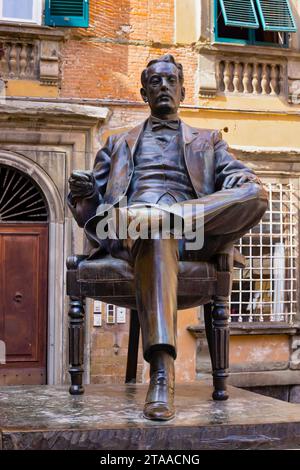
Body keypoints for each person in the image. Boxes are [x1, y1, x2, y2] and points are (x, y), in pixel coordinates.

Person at [68, 54, 268, 421]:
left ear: (182, 90)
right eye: (155, 82)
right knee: (154, 232)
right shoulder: (116, 143)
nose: (164, 87)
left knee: (257, 193)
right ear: (144, 93)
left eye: (170, 81)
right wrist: (82, 195)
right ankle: (162, 372)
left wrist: (171, 216)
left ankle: (161, 218)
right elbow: (94, 219)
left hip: (195, 235)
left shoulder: (209, 142)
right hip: (130, 234)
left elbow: (246, 187)